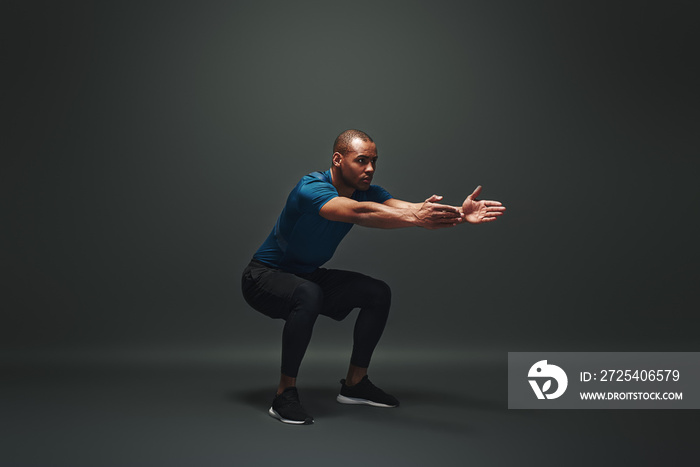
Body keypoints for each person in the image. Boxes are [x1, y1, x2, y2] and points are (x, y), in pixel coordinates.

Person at [241, 129, 505, 425]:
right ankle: (284, 395)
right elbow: (357, 212)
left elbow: (405, 209)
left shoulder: (370, 192)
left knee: (377, 292)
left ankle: (355, 384)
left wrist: (458, 212)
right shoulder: (310, 187)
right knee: (308, 293)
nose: (370, 168)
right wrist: (415, 217)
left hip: (306, 275)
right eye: (362, 160)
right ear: (338, 160)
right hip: (263, 277)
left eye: (374, 161)